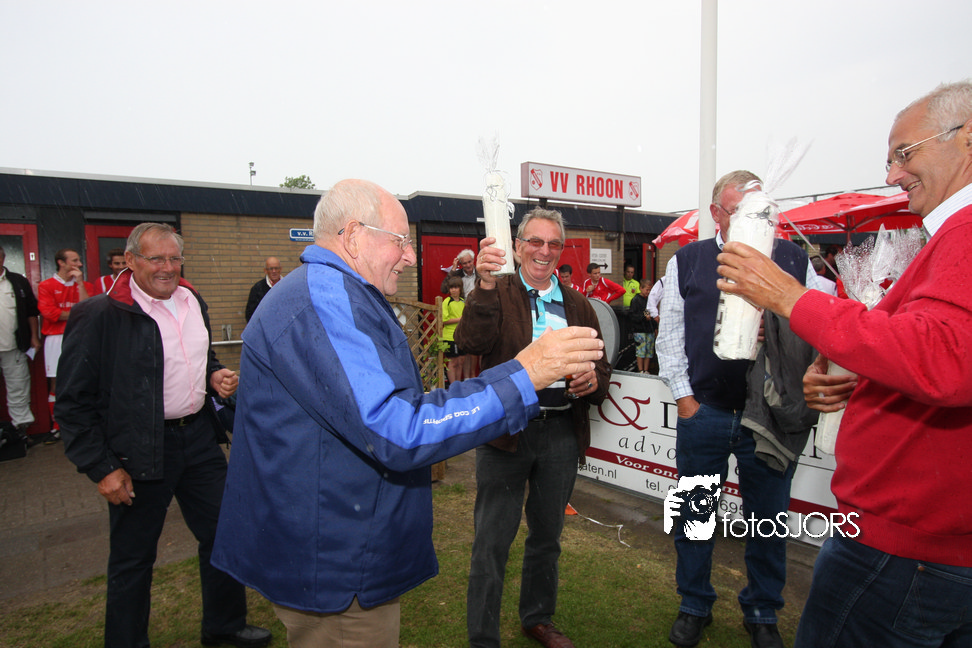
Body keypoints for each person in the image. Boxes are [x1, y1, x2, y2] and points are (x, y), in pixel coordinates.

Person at [210, 180, 604, 648]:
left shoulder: (337, 293)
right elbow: (398, 429)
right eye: (400, 241)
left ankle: (535, 617)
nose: (411, 257)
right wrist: (525, 375)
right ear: (353, 236)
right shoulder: (325, 302)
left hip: (338, 548)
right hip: (335, 565)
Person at [716, 80, 972, 648]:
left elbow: (944, 359)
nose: (892, 174)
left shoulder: (965, 231)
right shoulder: (949, 235)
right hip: (929, 541)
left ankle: (758, 610)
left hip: (905, 548)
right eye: (889, 159)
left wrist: (791, 298)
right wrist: (866, 379)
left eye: (904, 153)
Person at [54, 223, 271, 648]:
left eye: (174, 258)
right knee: (133, 558)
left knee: (224, 534)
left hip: (199, 440)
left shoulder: (193, 300)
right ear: (131, 260)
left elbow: (199, 356)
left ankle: (224, 627)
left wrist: (214, 375)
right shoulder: (100, 314)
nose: (167, 268)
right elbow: (72, 403)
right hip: (138, 451)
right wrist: (102, 467)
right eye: (156, 259)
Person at [656, 170, 820, 648]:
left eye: (762, 212)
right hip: (705, 410)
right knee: (695, 516)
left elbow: (818, 327)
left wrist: (782, 327)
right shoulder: (688, 260)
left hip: (767, 415)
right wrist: (685, 399)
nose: (756, 220)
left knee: (767, 519)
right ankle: (694, 604)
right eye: (742, 211)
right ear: (716, 214)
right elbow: (670, 335)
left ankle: (762, 610)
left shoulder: (792, 258)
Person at [457, 207, 612, 648]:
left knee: (547, 537)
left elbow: (601, 367)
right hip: (506, 433)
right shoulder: (498, 290)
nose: (544, 251)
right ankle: (483, 637)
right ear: (518, 245)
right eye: (535, 242)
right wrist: (485, 284)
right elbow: (470, 342)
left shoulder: (579, 304)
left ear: (562, 250)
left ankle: (537, 618)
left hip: (560, 433)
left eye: (553, 244)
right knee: (492, 540)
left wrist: (593, 380)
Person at [37, 248, 93, 443]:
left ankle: (82, 422)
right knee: (57, 382)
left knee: (83, 378)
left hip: (81, 337)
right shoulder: (46, 285)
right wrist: (78, 314)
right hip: (55, 338)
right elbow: (50, 314)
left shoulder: (85, 285)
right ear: (61, 262)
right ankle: (57, 426)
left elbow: (89, 309)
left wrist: (80, 284)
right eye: (74, 260)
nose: (79, 264)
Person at [0, 246, 41, 439]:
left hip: (14, 345)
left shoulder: (17, 282)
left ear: (2, 259)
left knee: (18, 388)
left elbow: (31, 312)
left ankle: (20, 431)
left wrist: (34, 336)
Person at [442, 275, 470, 384]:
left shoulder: (463, 301)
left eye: (456, 287)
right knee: (453, 362)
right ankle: (453, 386)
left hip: (461, 336)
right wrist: (460, 319)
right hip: (450, 337)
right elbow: (444, 320)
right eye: (451, 288)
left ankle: (458, 385)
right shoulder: (447, 302)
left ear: (460, 288)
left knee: (461, 361)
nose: (453, 290)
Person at [628, 278, 654, 373]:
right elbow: (633, 316)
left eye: (650, 290)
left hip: (649, 329)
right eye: (647, 290)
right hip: (639, 330)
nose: (648, 292)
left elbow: (648, 312)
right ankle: (640, 370)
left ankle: (646, 370)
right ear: (641, 288)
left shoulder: (648, 300)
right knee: (641, 351)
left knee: (648, 351)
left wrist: (654, 326)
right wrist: (643, 317)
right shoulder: (635, 300)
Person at [244, 256, 283, 322]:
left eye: (276, 268)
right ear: (265, 270)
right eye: (271, 268)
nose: (274, 271)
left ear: (281, 269)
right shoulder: (257, 289)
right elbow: (250, 314)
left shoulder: (288, 286)